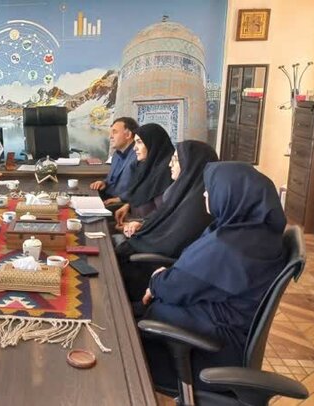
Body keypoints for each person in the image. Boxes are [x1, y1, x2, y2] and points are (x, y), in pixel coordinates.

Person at [140, 162, 286, 391]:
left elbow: (175, 288)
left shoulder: (230, 245)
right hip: (229, 331)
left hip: (212, 351)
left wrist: (157, 281)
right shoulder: (256, 233)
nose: (205, 194)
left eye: (211, 189)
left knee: (138, 327)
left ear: (231, 194)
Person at [116, 141, 218, 301]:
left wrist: (139, 238)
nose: (170, 164)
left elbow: (172, 243)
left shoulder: (199, 204)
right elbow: (162, 217)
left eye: (176, 160)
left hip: (157, 270)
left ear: (191, 165)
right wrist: (142, 224)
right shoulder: (182, 190)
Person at [114, 123, 175, 226]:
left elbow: (164, 214)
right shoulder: (145, 166)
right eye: (135, 143)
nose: (135, 148)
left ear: (153, 144)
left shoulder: (166, 172)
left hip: (149, 231)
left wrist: (137, 225)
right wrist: (128, 206)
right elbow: (141, 195)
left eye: (139, 142)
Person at [89, 117, 138, 208]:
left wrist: (121, 199)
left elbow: (142, 187)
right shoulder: (116, 154)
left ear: (128, 135)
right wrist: (104, 183)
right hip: (108, 196)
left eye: (114, 132)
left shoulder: (138, 155)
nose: (110, 136)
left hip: (123, 204)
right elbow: (111, 180)